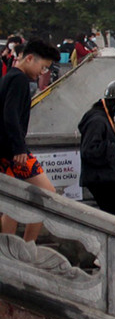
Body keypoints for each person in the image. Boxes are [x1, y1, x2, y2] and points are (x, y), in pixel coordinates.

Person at [0, 39, 62, 241]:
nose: (42, 73)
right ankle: (27, 246)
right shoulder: (18, 80)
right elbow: (10, 116)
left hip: (6, 150)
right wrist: (19, 148)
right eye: (43, 67)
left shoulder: (10, 76)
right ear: (29, 58)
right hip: (14, 152)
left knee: (15, 200)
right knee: (47, 193)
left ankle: (8, 248)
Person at [78, 79, 115, 217]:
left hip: (105, 176)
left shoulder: (104, 116)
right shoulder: (97, 120)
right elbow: (89, 151)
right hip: (101, 179)